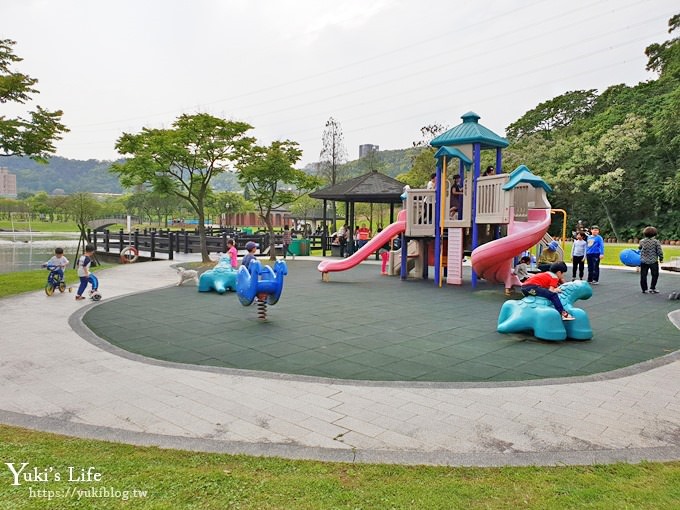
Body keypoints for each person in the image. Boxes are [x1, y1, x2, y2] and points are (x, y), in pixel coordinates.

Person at [639, 226, 663, 294]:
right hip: (653, 261)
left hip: (643, 261)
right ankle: (652, 288)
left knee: (643, 275)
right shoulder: (656, 242)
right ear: (655, 234)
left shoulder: (642, 241)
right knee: (655, 275)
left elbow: (640, 248)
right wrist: (661, 258)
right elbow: (659, 251)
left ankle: (644, 289)